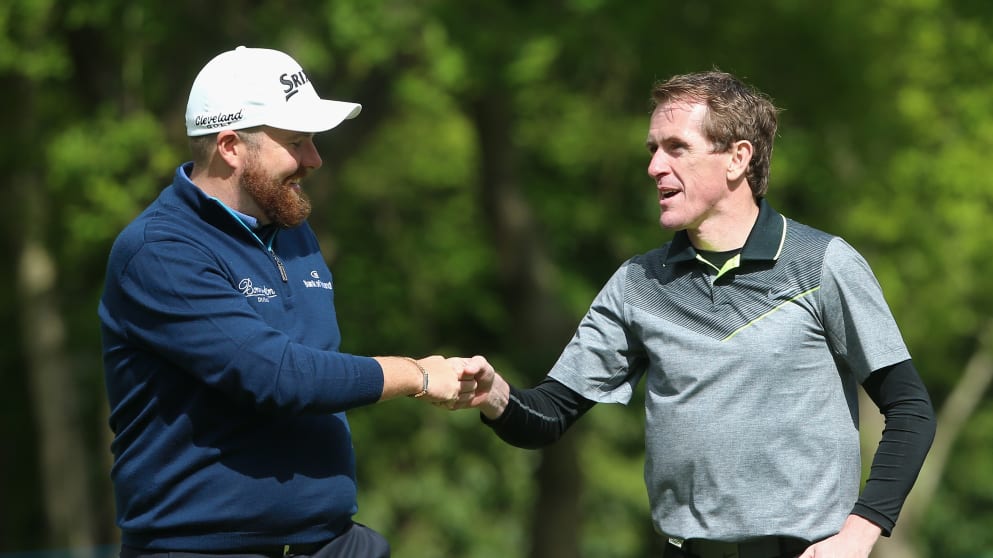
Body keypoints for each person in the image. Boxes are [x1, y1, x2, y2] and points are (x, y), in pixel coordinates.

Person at [457, 70, 937, 558]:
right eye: (652, 150)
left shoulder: (823, 263)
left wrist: (859, 534)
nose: (654, 167)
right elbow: (549, 416)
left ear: (737, 158)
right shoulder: (637, 284)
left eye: (676, 147)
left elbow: (910, 410)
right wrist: (494, 395)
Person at [99, 46, 471, 557]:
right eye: (297, 142)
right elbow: (277, 377)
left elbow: (317, 370)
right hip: (200, 548)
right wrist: (415, 374)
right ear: (230, 146)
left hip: (329, 542)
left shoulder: (294, 231)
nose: (315, 159)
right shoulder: (159, 251)